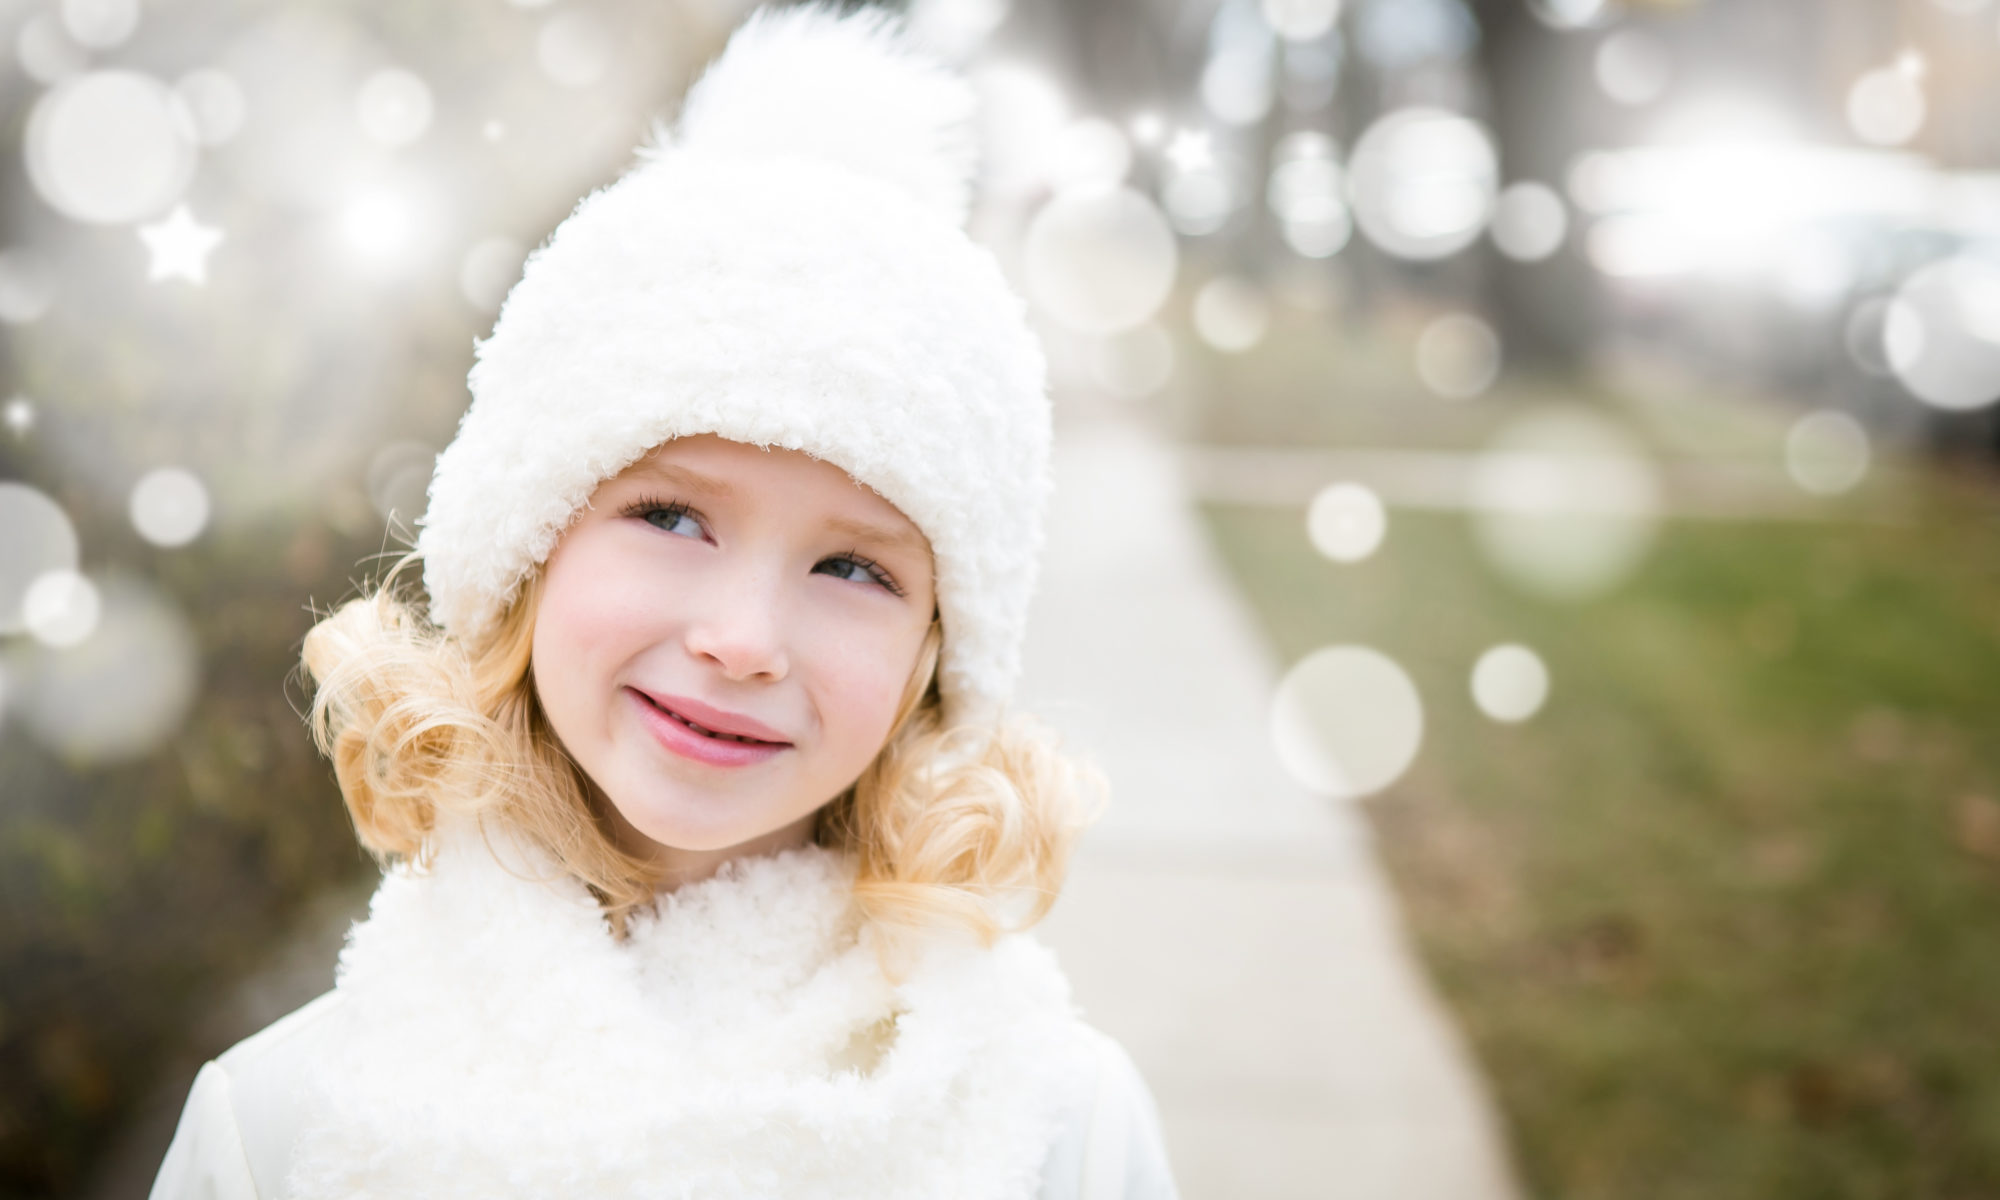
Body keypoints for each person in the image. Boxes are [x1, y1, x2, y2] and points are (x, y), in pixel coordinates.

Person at [146, 3, 1180, 1198]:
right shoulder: (283, 1132)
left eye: (854, 569)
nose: (740, 641)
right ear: (527, 548)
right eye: (671, 517)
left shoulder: (1050, 1130)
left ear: (934, 658)